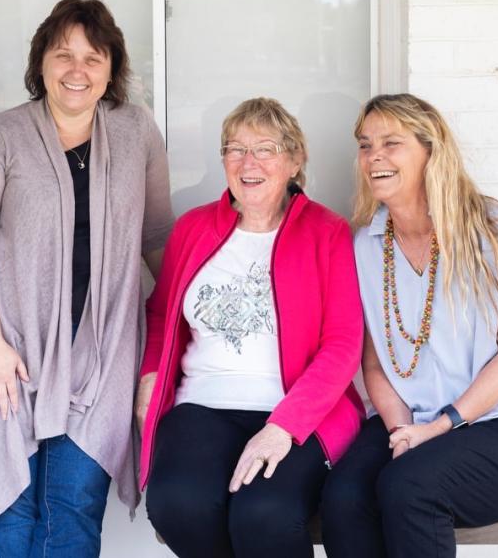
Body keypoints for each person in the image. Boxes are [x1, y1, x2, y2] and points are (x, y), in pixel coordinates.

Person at [0, 0, 174, 557]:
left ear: (113, 68)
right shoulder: (1, 134)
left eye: (93, 57)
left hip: (101, 354)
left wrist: (187, 325)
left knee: (74, 512)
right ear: (40, 64)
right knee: (12, 517)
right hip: (5, 348)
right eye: (63, 55)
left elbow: (157, 238)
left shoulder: (136, 132)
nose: (77, 71)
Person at [321, 93, 498, 558]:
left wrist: (439, 429)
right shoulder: (367, 244)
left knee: (409, 487)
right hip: (409, 417)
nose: (375, 157)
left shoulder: (490, 227)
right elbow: (373, 363)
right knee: (343, 498)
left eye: (392, 143)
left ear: (431, 151)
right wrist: (402, 432)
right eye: (365, 145)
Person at [136, 97, 364, 558]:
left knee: (265, 514)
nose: (248, 162)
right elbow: (161, 314)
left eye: (265, 148)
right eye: (235, 149)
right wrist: (149, 380)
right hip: (202, 404)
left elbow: (342, 345)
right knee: (178, 504)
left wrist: (283, 427)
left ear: (295, 160)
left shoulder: (327, 231)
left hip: (295, 412)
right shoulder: (193, 228)